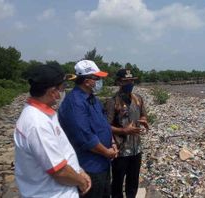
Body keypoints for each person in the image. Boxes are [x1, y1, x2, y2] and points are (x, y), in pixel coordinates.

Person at [14, 64, 91, 198]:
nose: (63, 92)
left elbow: (61, 151)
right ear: (52, 91)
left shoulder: (44, 115)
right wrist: (81, 181)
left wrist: (79, 170)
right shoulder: (37, 123)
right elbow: (59, 171)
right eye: (63, 88)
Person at [58, 60, 118, 198]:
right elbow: (84, 136)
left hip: (103, 162)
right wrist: (106, 152)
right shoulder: (75, 103)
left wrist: (113, 143)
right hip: (89, 166)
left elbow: (104, 124)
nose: (99, 81)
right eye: (97, 78)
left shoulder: (93, 99)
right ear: (86, 81)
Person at [105, 69, 149, 198]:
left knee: (133, 180)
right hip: (120, 150)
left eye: (131, 80)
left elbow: (144, 115)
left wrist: (144, 121)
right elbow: (105, 126)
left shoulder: (138, 99)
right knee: (117, 182)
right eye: (126, 81)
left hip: (136, 149)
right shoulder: (112, 102)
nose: (130, 83)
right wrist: (124, 130)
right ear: (119, 82)